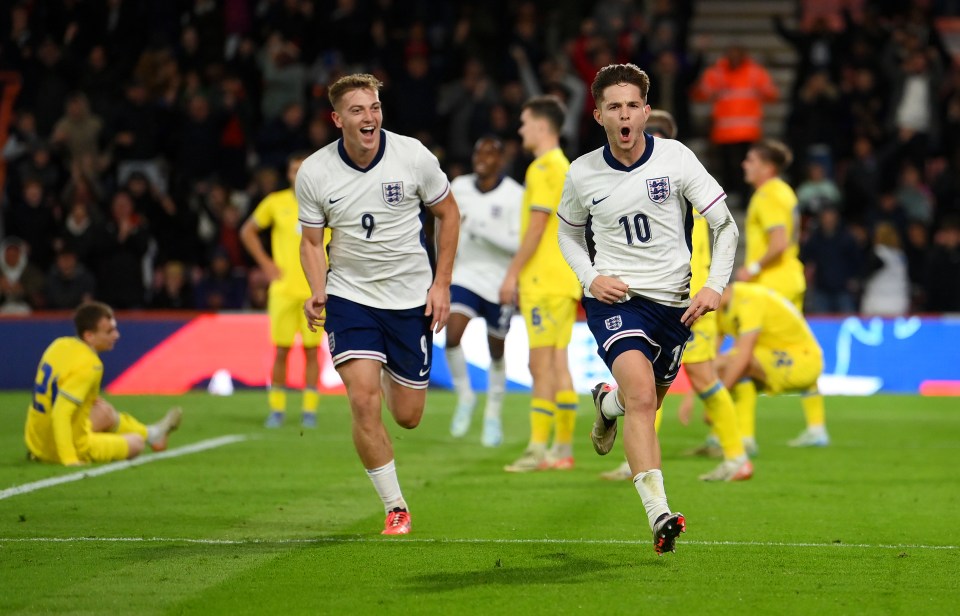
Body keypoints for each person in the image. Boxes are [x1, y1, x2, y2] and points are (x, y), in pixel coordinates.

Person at [557, 64, 739, 554]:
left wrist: (714, 286)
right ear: (598, 114)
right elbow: (569, 234)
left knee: (644, 401)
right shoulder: (581, 173)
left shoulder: (677, 159)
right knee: (642, 398)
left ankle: (605, 404)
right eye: (613, 106)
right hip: (615, 301)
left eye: (632, 105)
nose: (624, 115)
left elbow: (725, 226)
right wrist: (591, 277)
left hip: (675, 306)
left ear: (645, 111)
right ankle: (660, 516)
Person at [298, 74, 460, 536]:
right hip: (351, 297)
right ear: (337, 119)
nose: (369, 117)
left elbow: (448, 214)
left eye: (374, 108)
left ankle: (389, 366)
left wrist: (442, 284)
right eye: (357, 110)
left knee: (407, 416)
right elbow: (312, 243)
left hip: (411, 298)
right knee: (362, 399)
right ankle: (395, 507)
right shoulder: (314, 171)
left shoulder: (413, 156)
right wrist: (317, 288)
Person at [598, 110, 751, 484]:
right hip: (666, 301)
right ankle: (648, 454)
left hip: (686, 301)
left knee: (698, 378)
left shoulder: (680, 187)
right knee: (652, 381)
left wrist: (711, 286)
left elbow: (718, 232)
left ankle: (736, 456)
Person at [498, 95, 582, 473]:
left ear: (541, 126)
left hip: (544, 279)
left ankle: (537, 449)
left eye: (524, 122)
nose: (520, 129)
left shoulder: (544, 168)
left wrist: (512, 272)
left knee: (541, 365)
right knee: (558, 363)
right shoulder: (563, 166)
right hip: (562, 279)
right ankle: (561, 449)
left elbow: (537, 227)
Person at [734, 139, 825, 450]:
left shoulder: (768, 194)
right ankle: (816, 427)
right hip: (788, 280)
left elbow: (779, 242)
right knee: (799, 348)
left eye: (750, 160)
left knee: (744, 355)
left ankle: (743, 435)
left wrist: (752, 268)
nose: (745, 164)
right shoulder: (784, 191)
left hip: (772, 284)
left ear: (766, 167)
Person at [24, 302, 182, 466]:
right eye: (109, 331)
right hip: (58, 447)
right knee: (137, 443)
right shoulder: (90, 365)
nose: (116, 335)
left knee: (104, 411)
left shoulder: (59, 345)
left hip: (37, 438)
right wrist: (69, 459)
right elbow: (60, 414)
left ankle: (153, 434)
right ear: (89, 336)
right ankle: (147, 436)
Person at [241, 151, 329, 428]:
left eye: (303, 169)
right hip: (283, 290)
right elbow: (247, 231)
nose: (298, 174)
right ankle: (277, 410)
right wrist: (266, 264)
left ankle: (310, 411)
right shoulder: (275, 203)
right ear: (288, 174)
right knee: (281, 350)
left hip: (316, 290)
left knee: (313, 352)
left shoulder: (327, 203)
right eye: (294, 170)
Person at [447, 136, 523, 447]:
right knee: (451, 336)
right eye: (478, 152)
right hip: (465, 275)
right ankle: (465, 396)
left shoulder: (515, 195)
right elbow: (444, 223)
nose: (481, 158)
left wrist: (478, 228)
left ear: (500, 160)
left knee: (496, 352)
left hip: (498, 281)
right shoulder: (459, 186)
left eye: (490, 153)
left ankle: (492, 414)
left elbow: (518, 243)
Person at [715, 283, 829, 448]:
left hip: (803, 360)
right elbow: (708, 357)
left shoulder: (749, 299)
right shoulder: (720, 306)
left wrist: (718, 400)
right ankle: (744, 439)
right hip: (783, 356)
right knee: (728, 365)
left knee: (735, 364)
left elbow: (743, 355)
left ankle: (739, 438)